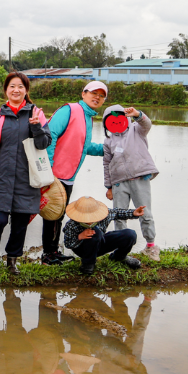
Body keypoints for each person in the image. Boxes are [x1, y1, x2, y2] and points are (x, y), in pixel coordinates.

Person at [0, 72, 51, 276]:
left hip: (28, 177)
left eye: (20, 87)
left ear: (26, 90)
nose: (16, 90)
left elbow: (44, 144)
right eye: (12, 86)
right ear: (6, 90)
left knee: (20, 223)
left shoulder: (36, 113)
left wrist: (36, 127)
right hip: (1, 176)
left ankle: (12, 261)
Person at [41, 81, 109, 265]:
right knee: (52, 215)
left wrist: (110, 148)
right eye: (94, 93)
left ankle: (52, 252)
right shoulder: (70, 110)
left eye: (101, 96)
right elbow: (50, 134)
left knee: (57, 215)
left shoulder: (88, 117)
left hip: (68, 176)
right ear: (83, 93)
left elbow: (85, 147)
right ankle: (48, 255)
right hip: (55, 175)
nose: (97, 97)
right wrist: (49, 168)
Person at [102, 105, 160, 261]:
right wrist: (109, 187)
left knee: (145, 213)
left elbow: (147, 124)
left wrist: (138, 114)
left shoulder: (136, 130)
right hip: (119, 183)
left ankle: (151, 246)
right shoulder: (108, 141)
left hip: (140, 179)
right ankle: (121, 251)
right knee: (119, 215)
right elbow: (106, 164)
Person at [62, 196, 144, 275]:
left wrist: (133, 213)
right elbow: (68, 244)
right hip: (82, 248)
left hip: (100, 242)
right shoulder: (71, 224)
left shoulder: (104, 215)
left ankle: (119, 257)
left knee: (130, 234)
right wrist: (79, 237)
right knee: (95, 232)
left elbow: (117, 213)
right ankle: (88, 263)